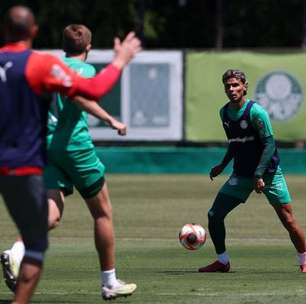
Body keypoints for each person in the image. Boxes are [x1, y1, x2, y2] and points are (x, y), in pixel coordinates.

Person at [0, 5, 140, 304]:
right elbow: (83, 94)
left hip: (44, 148)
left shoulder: (44, 63)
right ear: (88, 47)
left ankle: (17, 250)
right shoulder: (63, 67)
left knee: (50, 213)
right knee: (102, 212)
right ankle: (109, 281)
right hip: (75, 147)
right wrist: (120, 62)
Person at [198, 69, 306, 273]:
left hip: (269, 174)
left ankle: (304, 259)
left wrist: (259, 174)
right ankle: (222, 261)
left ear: (245, 86)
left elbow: (269, 144)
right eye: (228, 86)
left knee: (288, 220)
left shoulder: (256, 112)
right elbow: (235, 143)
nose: (231, 89)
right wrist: (222, 164)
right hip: (241, 174)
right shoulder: (224, 113)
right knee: (214, 215)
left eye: (235, 85)